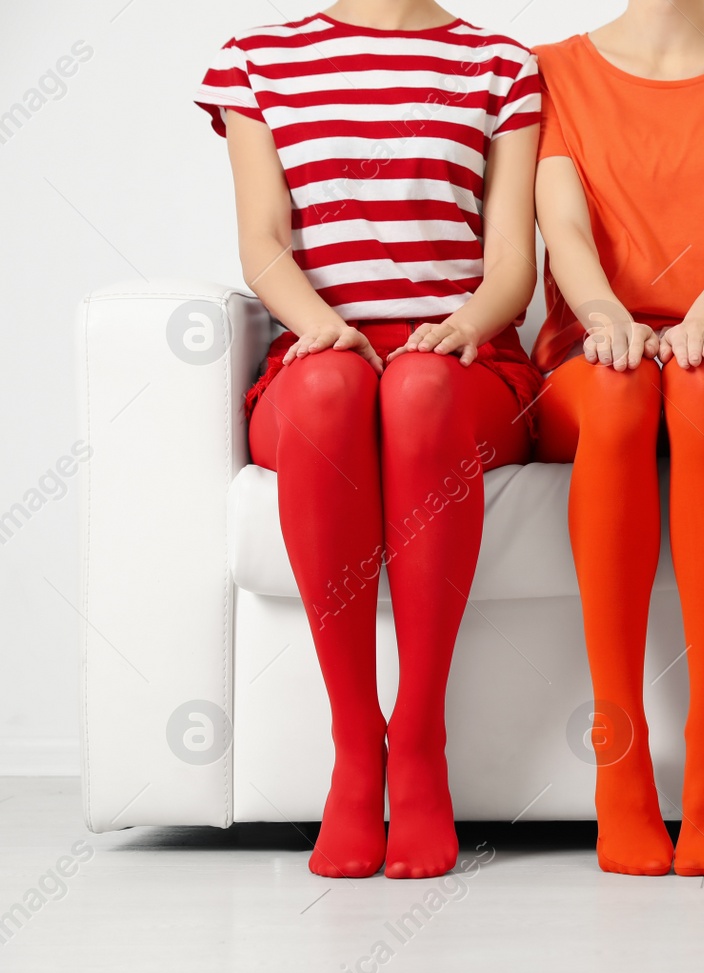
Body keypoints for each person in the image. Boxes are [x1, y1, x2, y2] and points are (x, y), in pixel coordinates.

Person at [197, 0, 542, 878]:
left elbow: (511, 263)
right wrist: (325, 329)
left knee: (417, 389)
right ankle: (358, 750)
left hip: (460, 359)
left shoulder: (500, 64)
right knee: (329, 392)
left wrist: (463, 322)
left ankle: (419, 740)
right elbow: (264, 241)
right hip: (321, 350)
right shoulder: (256, 60)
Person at [532, 0, 704, 876]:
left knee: (699, 382)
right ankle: (619, 757)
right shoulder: (552, 72)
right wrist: (606, 314)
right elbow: (563, 225)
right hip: (596, 351)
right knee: (619, 394)